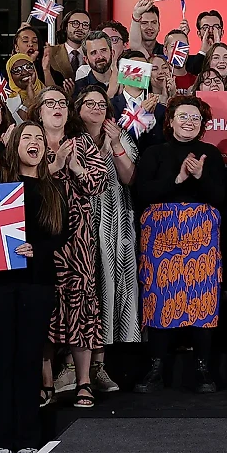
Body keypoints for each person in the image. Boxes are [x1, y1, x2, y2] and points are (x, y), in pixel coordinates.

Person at [0, 123, 67, 453]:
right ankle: (0, 437)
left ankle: (28, 435)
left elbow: (61, 232)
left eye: (40, 139)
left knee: (28, 361)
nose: (35, 143)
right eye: (27, 137)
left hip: (36, 283)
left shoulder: (52, 188)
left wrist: (37, 248)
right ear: (14, 146)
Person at [133, 96, 227, 394]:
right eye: (183, 116)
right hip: (161, 236)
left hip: (201, 235)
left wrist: (199, 177)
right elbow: (142, 193)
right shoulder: (153, 152)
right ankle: (157, 366)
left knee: (202, 296)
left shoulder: (209, 153)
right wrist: (179, 177)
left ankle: (203, 367)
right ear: (170, 120)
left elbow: (221, 197)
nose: (189, 122)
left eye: (196, 118)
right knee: (160, 296)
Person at [29, 87, 108, 409]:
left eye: (62, 103)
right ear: (39, 111)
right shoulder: (29, 142)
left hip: (77, 242)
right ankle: (46, 382)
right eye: (50, 104)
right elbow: (21, 184)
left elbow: (98, 185)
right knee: (45, 309)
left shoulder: (83, 143)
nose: (57, 108)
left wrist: (75, 168)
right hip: (40, 241)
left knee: (81, 308)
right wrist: (56, 164)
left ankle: (83, 381)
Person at [71, 86, 140, 393]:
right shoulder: (71, 140)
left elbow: (129, 177)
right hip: (81, 222)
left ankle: (100, 367)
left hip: (116, 222)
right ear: (78, 108)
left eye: (102, 104)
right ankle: (72, 368)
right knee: (84, 295)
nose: (97, 108)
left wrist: (114, 144)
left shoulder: (120, 134)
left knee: (110, 293)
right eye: (90, 103)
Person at [45, 10, 92, 85]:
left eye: (85, 24)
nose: (80, 28)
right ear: (66, 27)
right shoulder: (51, 52)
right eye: (75, 23)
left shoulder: (94, 54)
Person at [73, 31, 121, 101]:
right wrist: (110, 93)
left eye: (103, 50)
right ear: (86, 59)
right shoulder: (79, 88)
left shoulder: (125, 82)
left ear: (112, 53)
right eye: (93, 53)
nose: (100, 56)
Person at [5, 53, 43, 122]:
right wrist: (29, 100)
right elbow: (19, 124)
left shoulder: (48, 93)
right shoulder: (8, 104)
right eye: (17, 70)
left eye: (28, 67)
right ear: (10, 77)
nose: (24, 72)